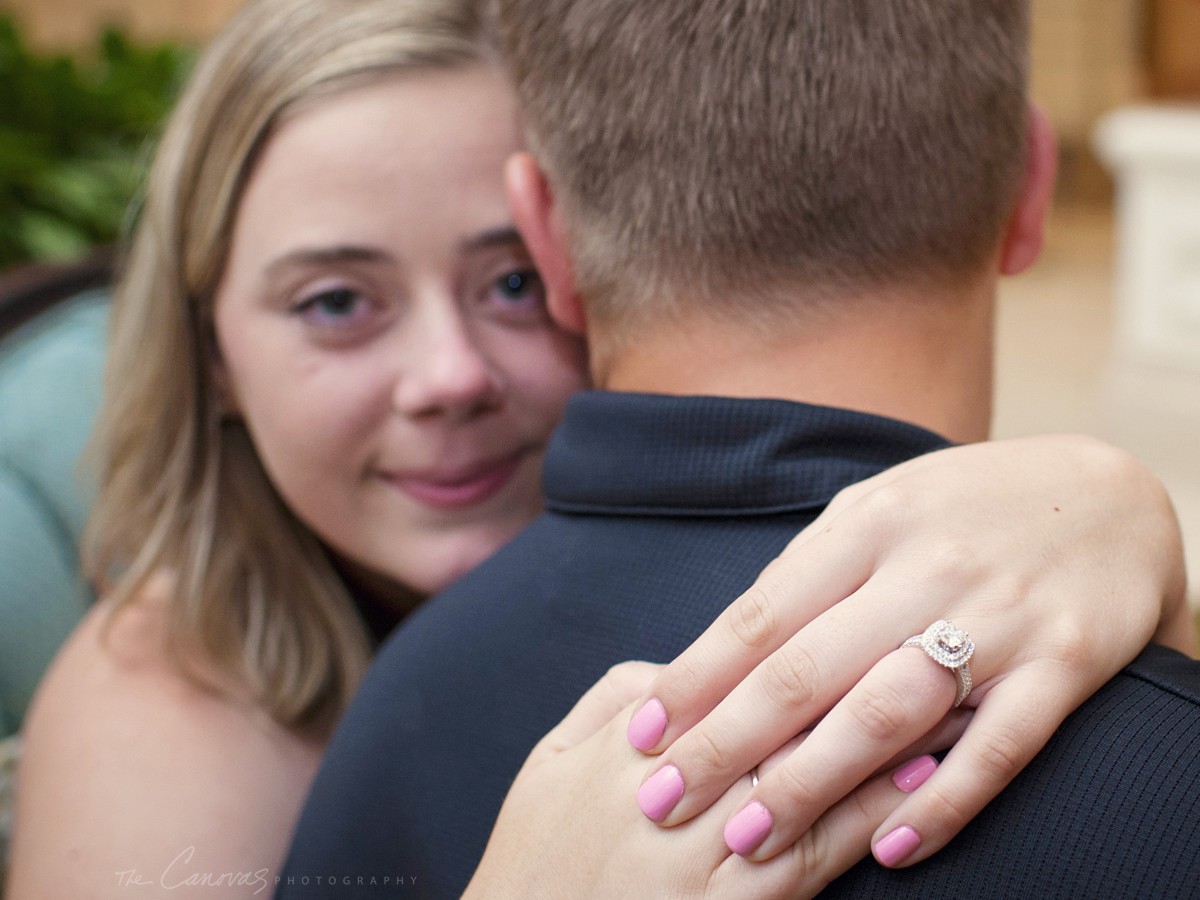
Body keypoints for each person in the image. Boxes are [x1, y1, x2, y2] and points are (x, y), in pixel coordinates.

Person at [6, 0, 1190, 896]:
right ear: (208, 351)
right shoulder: (165, 734)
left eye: (511, 284)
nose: (451, 377)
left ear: (575, 252)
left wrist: (1112, 511)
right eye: (335, 302)